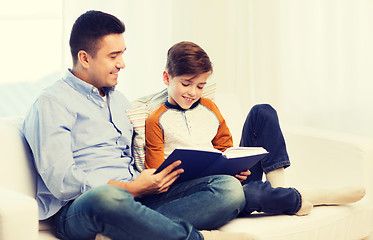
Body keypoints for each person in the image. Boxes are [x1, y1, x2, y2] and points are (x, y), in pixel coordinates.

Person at [22, 11, 258, 240]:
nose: (122, 64)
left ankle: (125, 231)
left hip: (139, 198)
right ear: (85, 58)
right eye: (113, 56)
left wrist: (151, 182)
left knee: (227, 189)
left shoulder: (119, 100)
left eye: (122, 54)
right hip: (82, 208)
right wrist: (130, 188)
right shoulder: (51, 103)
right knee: (106, 197)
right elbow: (62, 182)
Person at [145, 41, 366, 217]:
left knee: (263, 111)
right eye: (186, 84)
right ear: (167, 77)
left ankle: (279, 191)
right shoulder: (156, 120)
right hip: (209, 192)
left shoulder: (209, 107)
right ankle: (303, 197)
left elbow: (225, 149)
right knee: (247, 194)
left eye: (200, 86)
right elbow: (157, 176)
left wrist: (236, 166)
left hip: (231, 179)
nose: (193, 92)